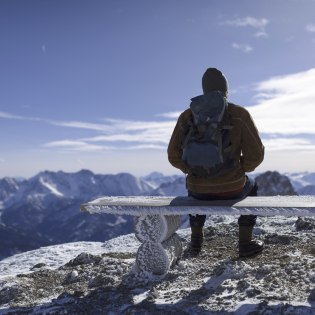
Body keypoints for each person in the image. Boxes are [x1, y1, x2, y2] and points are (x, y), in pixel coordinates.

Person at [167, 67, 265, 257]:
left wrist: (191, 169)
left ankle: (196, 243)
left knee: (193, 188)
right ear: (226, 90)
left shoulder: (188, 116)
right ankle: (245, 243)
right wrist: (238, 170)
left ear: (204, 90)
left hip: (198, 190)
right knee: (252, 187)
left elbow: (173, 154)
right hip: (233, 187)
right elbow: (256, 156)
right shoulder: (239, 114)